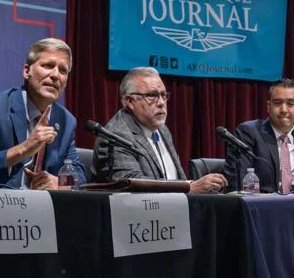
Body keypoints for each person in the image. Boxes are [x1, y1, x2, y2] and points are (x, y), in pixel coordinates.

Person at [0, 37, 85, 189]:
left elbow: (79, 174)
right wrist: (24, 149)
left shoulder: (65, 120)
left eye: (63, 70)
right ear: (26, 71)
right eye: (48, 66)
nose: (56, 75)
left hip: (41, 203)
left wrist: (61, 183)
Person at [92, 67, 227, 194]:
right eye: (152, 95)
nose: (161, 102)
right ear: (130, 101)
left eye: (163, 95)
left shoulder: (162, 130)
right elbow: (131, 184)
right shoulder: (116, 136)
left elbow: (175, 178)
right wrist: (189, 187)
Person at [223, 78, 294, 193]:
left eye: (290, 104)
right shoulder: (248, 133)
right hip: (258, 203)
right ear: (268, 106)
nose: (284, 110)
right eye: (277, 103)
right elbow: (237, 182)